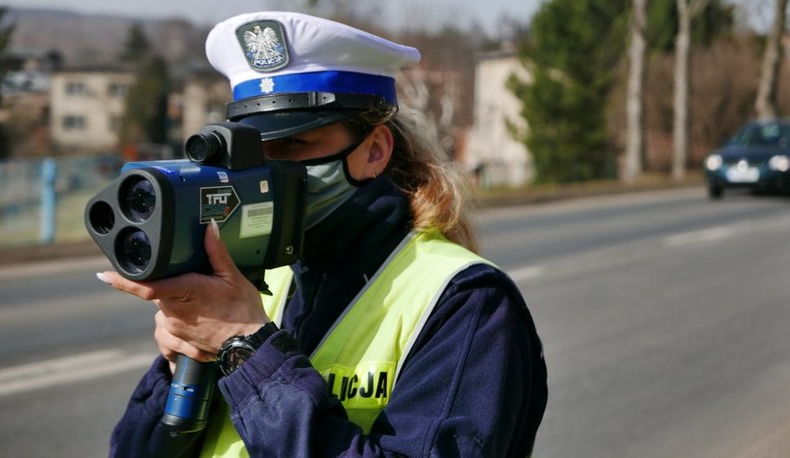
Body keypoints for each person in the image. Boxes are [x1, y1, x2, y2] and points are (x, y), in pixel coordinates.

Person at [101, 11, 547, 457]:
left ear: (373, 150)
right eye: (255, 152)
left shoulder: (466, 303)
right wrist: (177, 367)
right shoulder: (256, 276)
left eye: (295, 146)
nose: (268, 172)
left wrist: (248, 353)